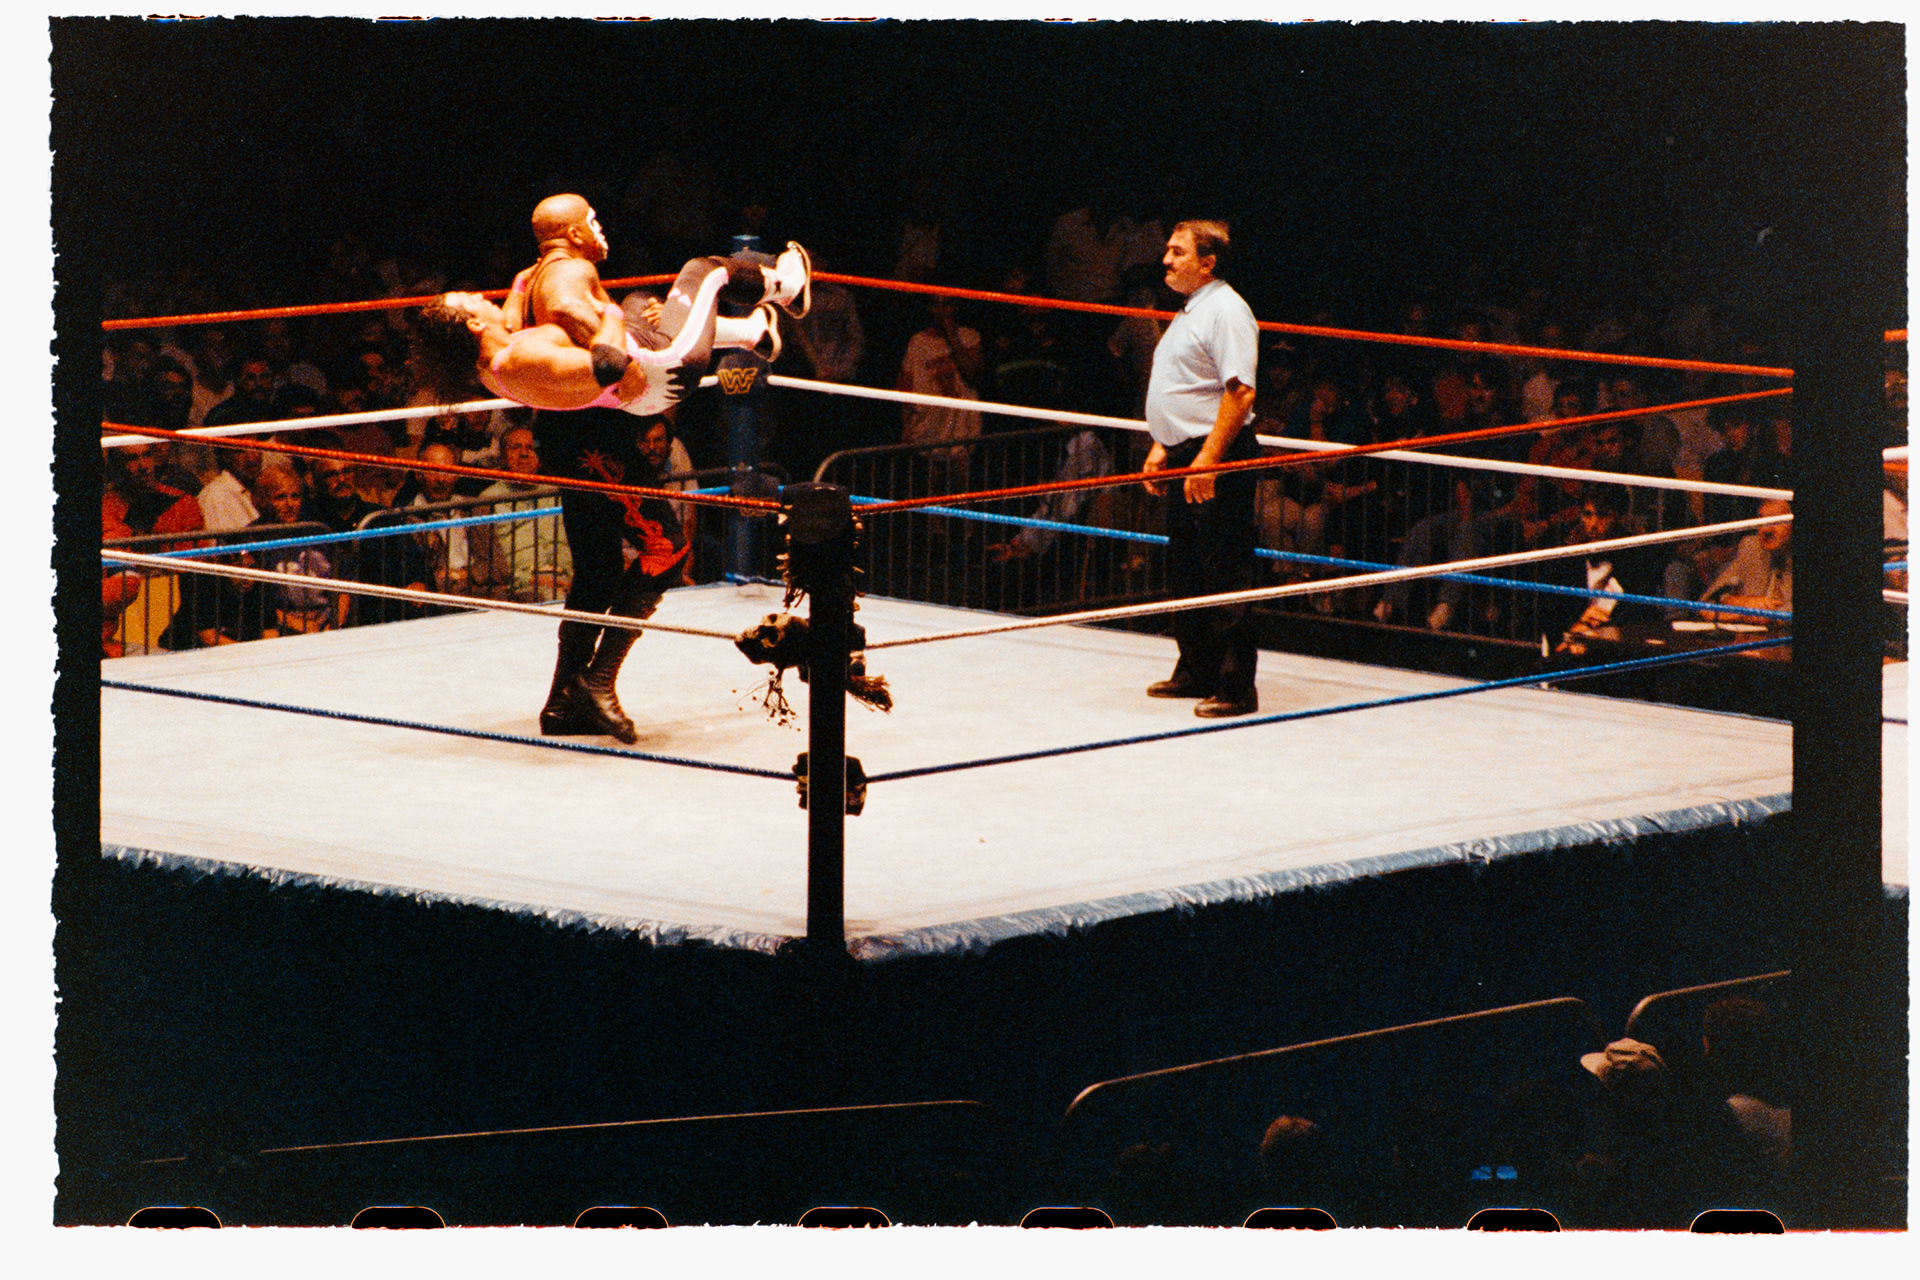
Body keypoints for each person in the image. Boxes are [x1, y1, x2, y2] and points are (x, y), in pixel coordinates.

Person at [414, 194, 809, 419]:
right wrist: (608, 312)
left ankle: (752, 333)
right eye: (472, 301)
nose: (481, 296)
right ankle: (789, 288)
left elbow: (513, 326)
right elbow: (609, 365)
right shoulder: (531, 348)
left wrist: (523, 281)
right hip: (663, 369)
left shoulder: (491, 366)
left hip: (638, 397)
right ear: (474, 326)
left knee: (639, 303)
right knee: (703, 271)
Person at [1141, 220, 1261, 717]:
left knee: (1223, 568)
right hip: (1185, 453)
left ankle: (1236, 687)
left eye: (1178, 252)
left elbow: (1240, 392)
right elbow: (1190, 386)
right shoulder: (1192, 309)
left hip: (1215, 455)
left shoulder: (1227, 310)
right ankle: (1196, 670)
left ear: (1208, 262)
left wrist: (1208, 458)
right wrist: (1162, 443)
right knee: (1186, 568)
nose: (1166, 260)